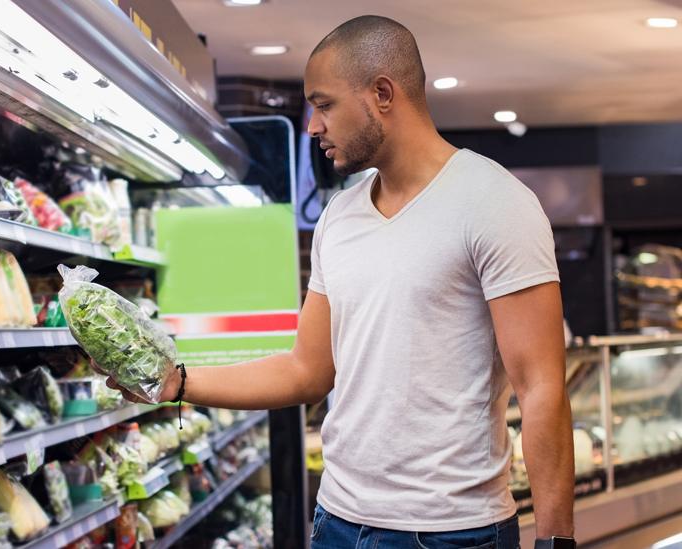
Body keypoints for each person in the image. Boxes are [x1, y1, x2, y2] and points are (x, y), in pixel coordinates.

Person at [107, 15, 575, 549]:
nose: (311, 126)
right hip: (336, 520)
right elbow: (306, 370)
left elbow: (542, 389)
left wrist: (555, 542)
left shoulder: (495, 203)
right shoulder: (339, 216)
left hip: (451, 532)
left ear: (381, 94)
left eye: (323, 104)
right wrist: (178, 383)